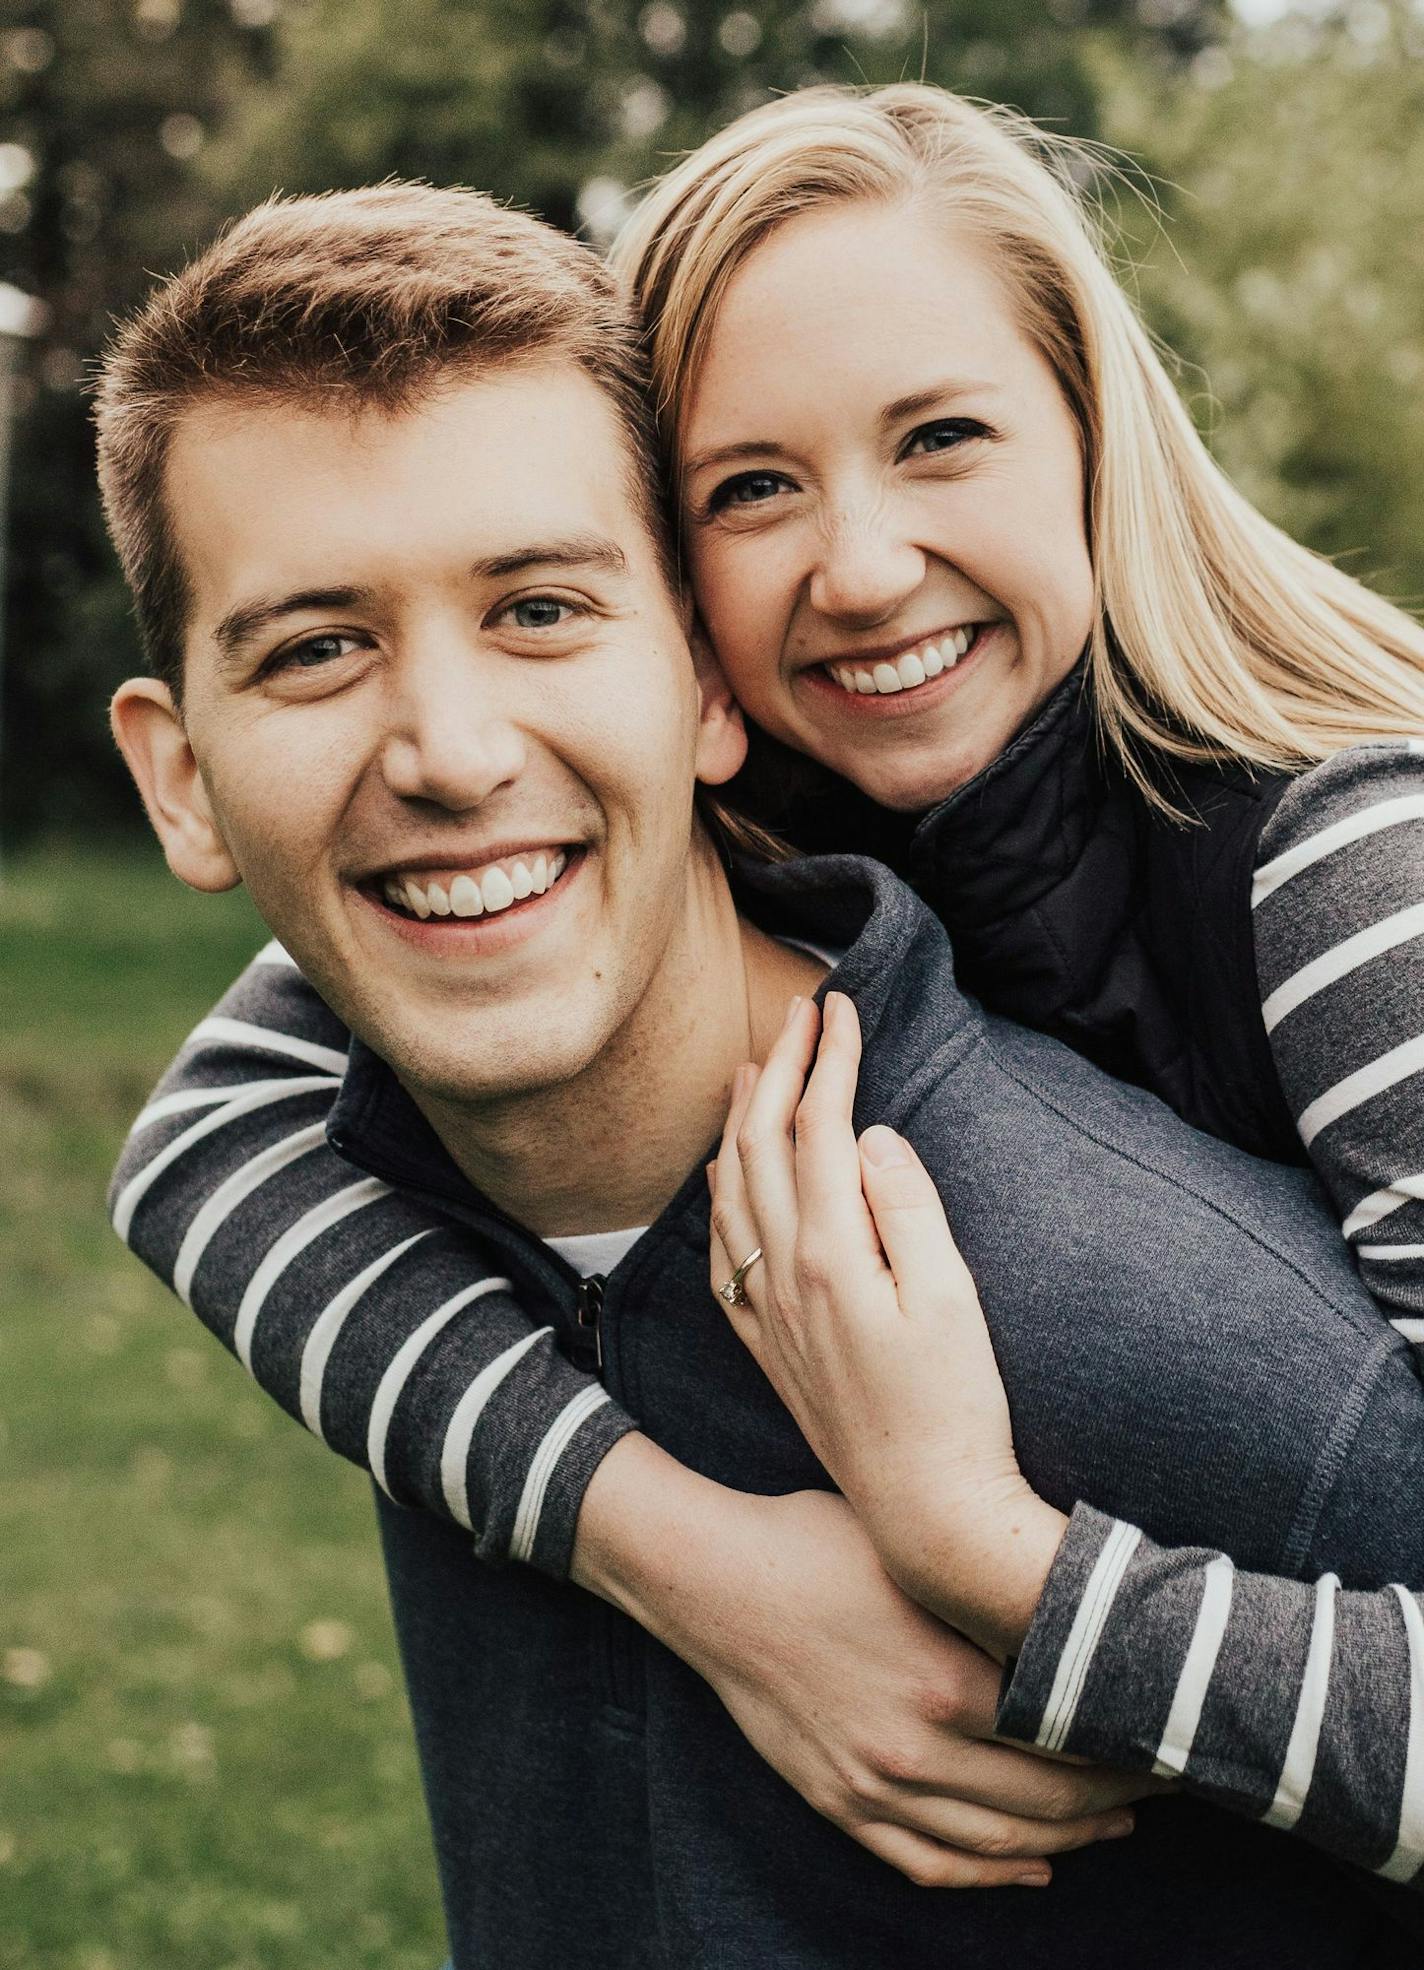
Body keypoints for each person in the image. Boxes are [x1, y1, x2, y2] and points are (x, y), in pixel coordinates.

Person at [98, 184, 1424, 1967]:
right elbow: (200, 1138)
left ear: (1103, 451)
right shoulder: (532, 999)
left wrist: (996, 1559)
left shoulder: (1353, 877)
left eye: (942, 438)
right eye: (752, 488)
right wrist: (681, 1547)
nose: (859, 568)